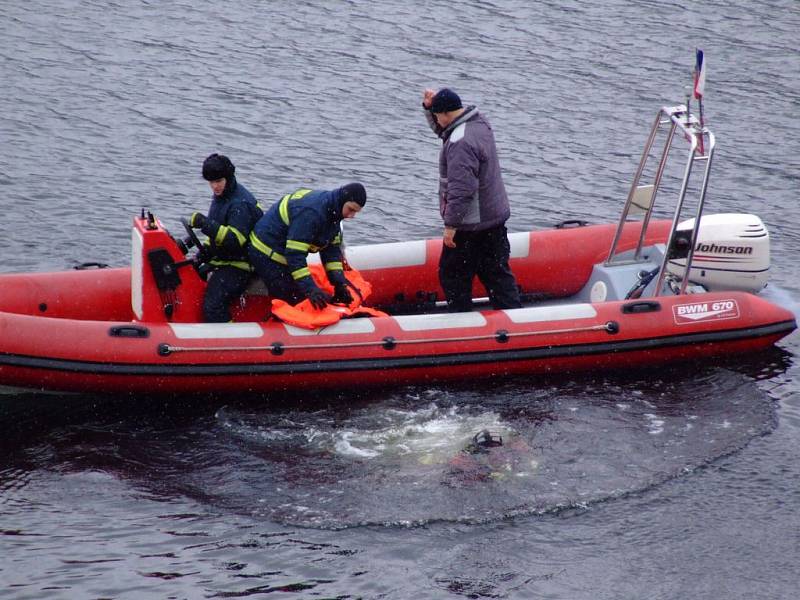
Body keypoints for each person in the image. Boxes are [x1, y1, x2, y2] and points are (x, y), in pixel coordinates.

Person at [422, 87, 521, 312]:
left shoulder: (460, 143)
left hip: (470, 225)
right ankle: (514, 318)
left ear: (445, 114)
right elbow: (445, 131)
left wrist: (451, 225)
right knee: (496, 274)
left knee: (452, 274)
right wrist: (430, 110)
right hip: (493, 219)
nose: (437, 121)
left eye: (437, 115)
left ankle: (461, 322)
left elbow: (462, 190)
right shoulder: (478, 124)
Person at [248, 183, 366, 310]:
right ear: (343, 200)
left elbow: (331, 253)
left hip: (282, 253)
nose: (351, 216)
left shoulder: (334, 214)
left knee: (311, 295)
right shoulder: (312, 213)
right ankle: (278, 320)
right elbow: (294, 255)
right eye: (351, 209)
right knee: (297, 300)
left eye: (355, 212)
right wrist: (310, 289)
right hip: (264, 253)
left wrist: (339, 284)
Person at [188, 153, 263, 322]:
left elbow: (236, 240)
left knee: (213, 305)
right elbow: (218, 230)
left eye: (218, 181)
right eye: (211, 182)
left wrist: (204, 223)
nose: (215, 186)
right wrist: (204, 253)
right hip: (224, 259)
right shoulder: (222, 197)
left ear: (228, 178)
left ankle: (231, 340)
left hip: (241, 265)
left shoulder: (241, 203)